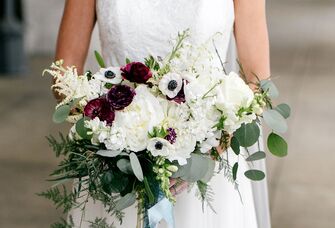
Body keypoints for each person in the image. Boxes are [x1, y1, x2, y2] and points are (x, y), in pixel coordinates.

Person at [55, 0, 271, 227]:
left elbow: (258, 83)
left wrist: (211, 147)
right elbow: (63, 75)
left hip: (210, 164)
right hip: (115, 164)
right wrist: (109, 131)